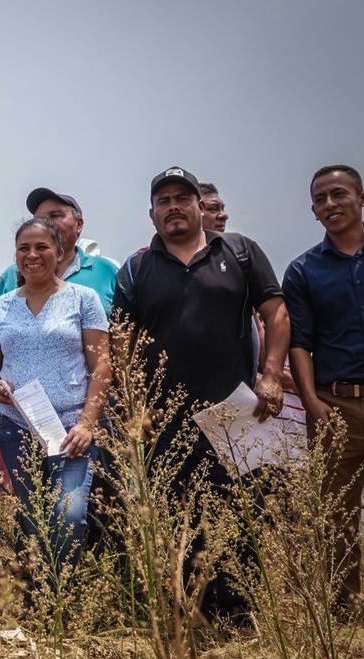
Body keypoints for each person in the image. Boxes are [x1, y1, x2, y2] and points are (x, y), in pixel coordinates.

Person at [113, 166, 288, 620]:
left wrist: (271, 375)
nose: (173, 207)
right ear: (151, 214)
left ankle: (240, 616)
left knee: (244, 516)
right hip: (165, 419)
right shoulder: (137, 267)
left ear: (199, 205)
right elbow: (121, 343)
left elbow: (275, 312)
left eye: (182, 198)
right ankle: (191, 614)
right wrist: (135, 406)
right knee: (178, 519)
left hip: (235, 412)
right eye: (164, 201)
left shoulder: (239, 251)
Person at [0, 218, 111, 582]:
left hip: (71, 429)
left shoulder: (83, 299)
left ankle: (62, 594)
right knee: (33, 519)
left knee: (69, 514)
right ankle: (43, 598)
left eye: (42, 247)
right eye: (24, 248)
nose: (32, 255)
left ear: (59, 251)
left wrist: (87, 424)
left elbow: (102, 364)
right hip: (18, 428)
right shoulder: (1, 307)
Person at [283, 164, 364, 609]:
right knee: (336, 515)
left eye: (339, 194)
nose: (330, 204)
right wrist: (312, 401)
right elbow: (300, 342)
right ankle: (347, 612)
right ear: (313, 211)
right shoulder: (302, 270)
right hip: (337, 405)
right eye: (320, 199)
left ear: (362, 198)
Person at [0, 188, 119, 312]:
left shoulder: (106, 271)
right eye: (39, 219)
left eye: (55, 215)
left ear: (79, 224)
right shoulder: (11, 275)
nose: (46, 223)